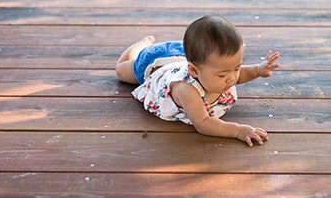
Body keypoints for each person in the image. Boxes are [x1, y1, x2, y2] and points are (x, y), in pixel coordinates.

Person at [115, 14, 281, 146]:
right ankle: (141, 44)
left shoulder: (213, 66)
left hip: (181, 53)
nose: (232, 78)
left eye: (236, 68)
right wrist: (238, 130)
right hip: (155, 61)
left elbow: (241, 74)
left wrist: (258, 70)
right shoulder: (187, 90)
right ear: (194, 70)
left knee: (209, 55)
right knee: (121, 70)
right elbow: (203, 123)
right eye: (223, 75)